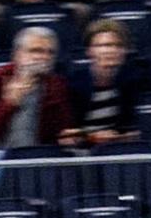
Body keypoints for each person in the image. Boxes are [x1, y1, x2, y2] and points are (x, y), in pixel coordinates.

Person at [0, 26, 70, 152]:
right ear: (17, 55)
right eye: (36, 51)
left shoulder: (56, 85)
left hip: (38, 157)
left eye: (50, 52)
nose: (44, 57)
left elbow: (60, 133)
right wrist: (8, 104)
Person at [61, 19, 142, 148]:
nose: (110, 50)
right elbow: (65, 136)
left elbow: (137, 131)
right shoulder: (73, 84)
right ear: (89, 51)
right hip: (82, 152)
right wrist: (92, 137)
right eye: (103, 45)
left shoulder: (133, 82)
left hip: (120, 151)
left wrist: (118, 137)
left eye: (117, 45)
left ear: (124, 52)